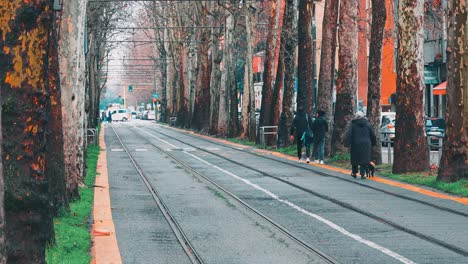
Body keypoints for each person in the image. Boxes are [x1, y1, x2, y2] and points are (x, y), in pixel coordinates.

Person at [345, 111, 376, 179]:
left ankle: (354, 172)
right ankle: (363, 174)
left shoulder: (353, 124)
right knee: (364, 158)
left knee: (355, 158)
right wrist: (374, 143)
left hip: (355, 143)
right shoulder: (367, 124)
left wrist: (346, 143)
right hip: (366, 143)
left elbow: (348, 134)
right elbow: (372, 134)